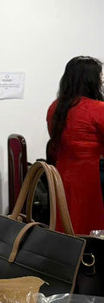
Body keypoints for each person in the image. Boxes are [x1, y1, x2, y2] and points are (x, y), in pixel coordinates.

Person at [46, 56, 104, 234]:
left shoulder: (55, 107)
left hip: (62, 175)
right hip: (92, 177)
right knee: (89, 225)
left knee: (65, 225)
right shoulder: (98, 109)